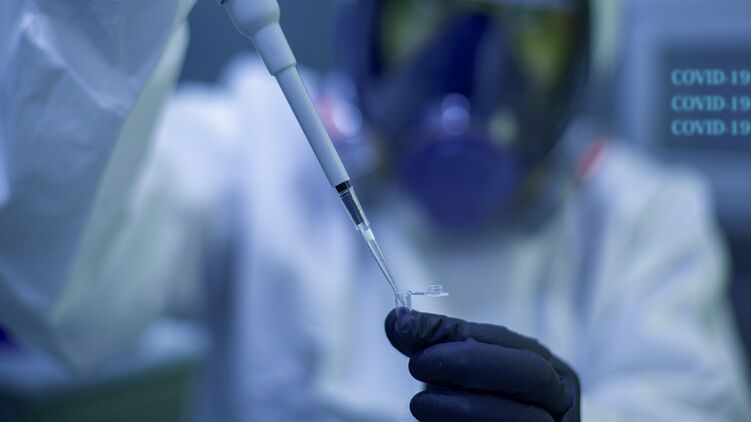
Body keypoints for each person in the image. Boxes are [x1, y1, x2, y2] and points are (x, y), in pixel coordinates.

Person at [1, 0, 750, 420]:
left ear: (584, 47)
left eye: (528, 19)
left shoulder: (646, 218)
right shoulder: (259, 146)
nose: (470, 60)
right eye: (426, 8)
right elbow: (55, 292)